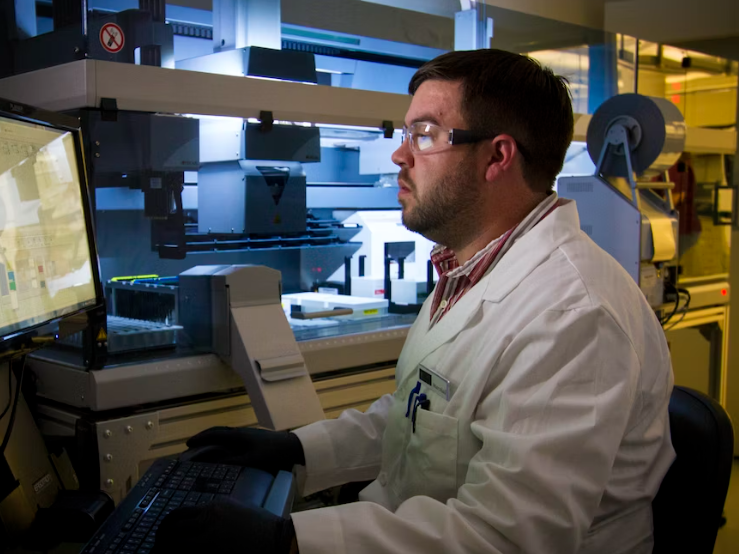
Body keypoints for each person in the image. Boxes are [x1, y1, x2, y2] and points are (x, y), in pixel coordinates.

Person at [153, 49, 674, 554]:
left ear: (497, 156)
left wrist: (289, 542)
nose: (400, 155)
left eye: (424, 135)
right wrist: (297, 448)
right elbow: (420, 418)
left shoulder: (574, 316)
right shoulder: (468, 268)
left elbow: (507, 538)